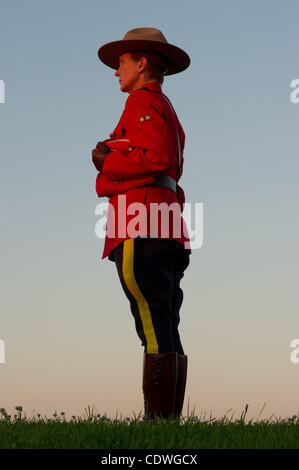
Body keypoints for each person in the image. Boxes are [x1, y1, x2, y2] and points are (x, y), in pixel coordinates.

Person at [92, 27, 191, 421]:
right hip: (166, 223)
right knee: (164, 319)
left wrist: (105, 164)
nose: (116, 72)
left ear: (142, 63)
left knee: (150, 320)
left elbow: (157, 157)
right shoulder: (164, 105)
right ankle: (167, 419)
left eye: (121, 63)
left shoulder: (141, 101)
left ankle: (158, 421)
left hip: (141, 221)